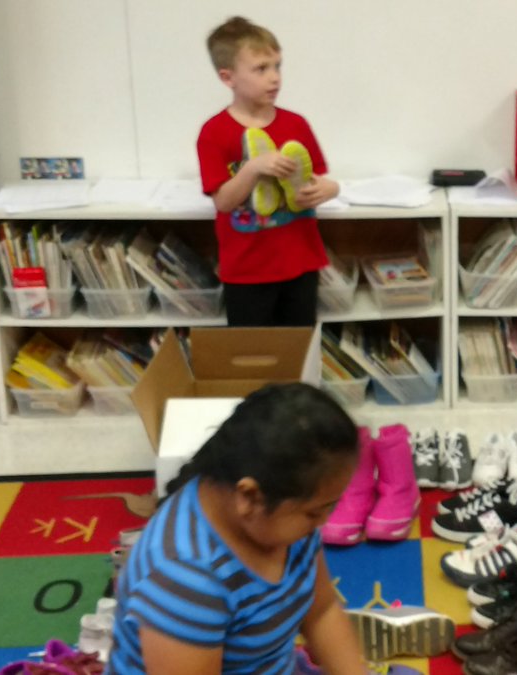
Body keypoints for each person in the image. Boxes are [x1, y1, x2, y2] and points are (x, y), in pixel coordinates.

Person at [108, 383, 367, 675]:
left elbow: (322, 613)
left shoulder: (284, 518)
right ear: (249, 497)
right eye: (314, 512)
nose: (322, 523)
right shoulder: (184, 575)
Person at [197, 17, 340, 327]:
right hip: (247, 271)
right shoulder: (213, 133)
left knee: (299, 348)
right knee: (253, 351)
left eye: (277, 66)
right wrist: (252, 168)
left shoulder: (296, 124)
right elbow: (223, 202)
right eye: (261, 69)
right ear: (228, 77)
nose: (275, 78)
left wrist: (331, 189)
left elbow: (313, 180)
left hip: (301, 264)